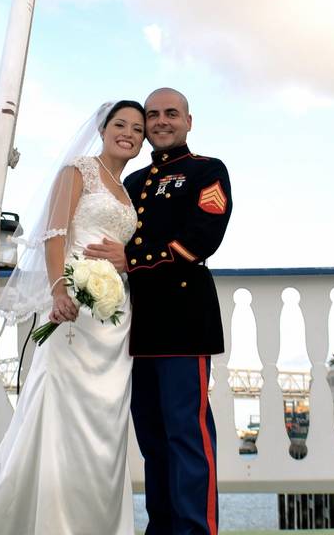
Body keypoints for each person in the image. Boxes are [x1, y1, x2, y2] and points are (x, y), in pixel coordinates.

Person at [0, 100, 146, 535]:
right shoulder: (79, 170)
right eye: (120, 124)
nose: (129, 133)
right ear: (103, 127)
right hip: (73, 308)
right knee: (59, 415)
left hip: (115, 321)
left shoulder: (128, 190)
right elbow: (55, 234)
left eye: (138, 128)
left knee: (106, 427)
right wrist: (59, 289)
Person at [86, 87, 232, 535]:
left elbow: (202, 237)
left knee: (187, 436)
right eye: (153, 115)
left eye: (172, 113)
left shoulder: (208, 171)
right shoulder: (131, 183)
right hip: (137, 326)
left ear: (189, 121)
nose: (161, 121)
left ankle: (194, 530)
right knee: (151, 440)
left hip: (184, 321)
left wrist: (135, 259)